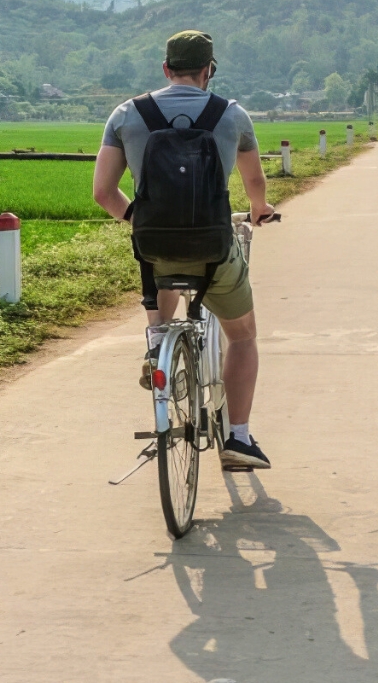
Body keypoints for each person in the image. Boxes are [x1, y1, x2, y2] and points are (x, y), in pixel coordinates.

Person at [93, 30, 277, 471]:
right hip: (214, 246)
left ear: (165, 68)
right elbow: (254, 184)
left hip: (154, 245)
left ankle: (158, 342)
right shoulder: (231, 115)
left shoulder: (127, 114)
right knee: (243, 334)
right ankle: (238, 438)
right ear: (208, 70)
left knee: (161, 263)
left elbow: (103, 192)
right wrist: (260, 210)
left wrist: (140, 220)